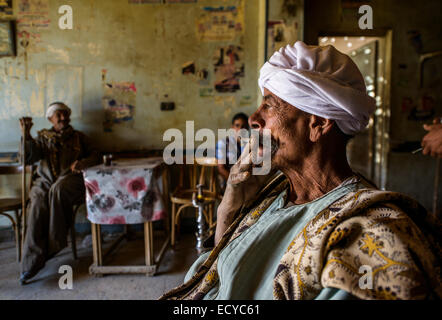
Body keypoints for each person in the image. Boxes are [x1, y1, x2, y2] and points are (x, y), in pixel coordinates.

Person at [160, 41, 441, 300]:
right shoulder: (272, 192)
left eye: (270, 104)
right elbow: (215, 277)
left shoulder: (367, 234)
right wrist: (228, 209)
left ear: (317, 124)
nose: (254, 119)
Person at [19, 102, 100, 285]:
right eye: (59, 115)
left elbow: (96, 155)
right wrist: (26, 134)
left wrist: (83, 163)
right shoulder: (42, 138)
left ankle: (53, 246)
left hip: (68, 181)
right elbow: (27, 158)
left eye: (65, 114)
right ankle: (30, 265)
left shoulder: (78, 138)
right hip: (44, 182)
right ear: (50, 119)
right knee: (37, 207)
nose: (63, 118)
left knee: (58, 190)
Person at [216, 113, 249, 192]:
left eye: (243, 126)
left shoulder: (249, 144)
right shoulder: (223, 143)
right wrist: (235, 181)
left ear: (247, 128)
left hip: (245, 180)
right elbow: (221, 168)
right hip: (227, 180)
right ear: (232, 127)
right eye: (237, 125)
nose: (240, 129)